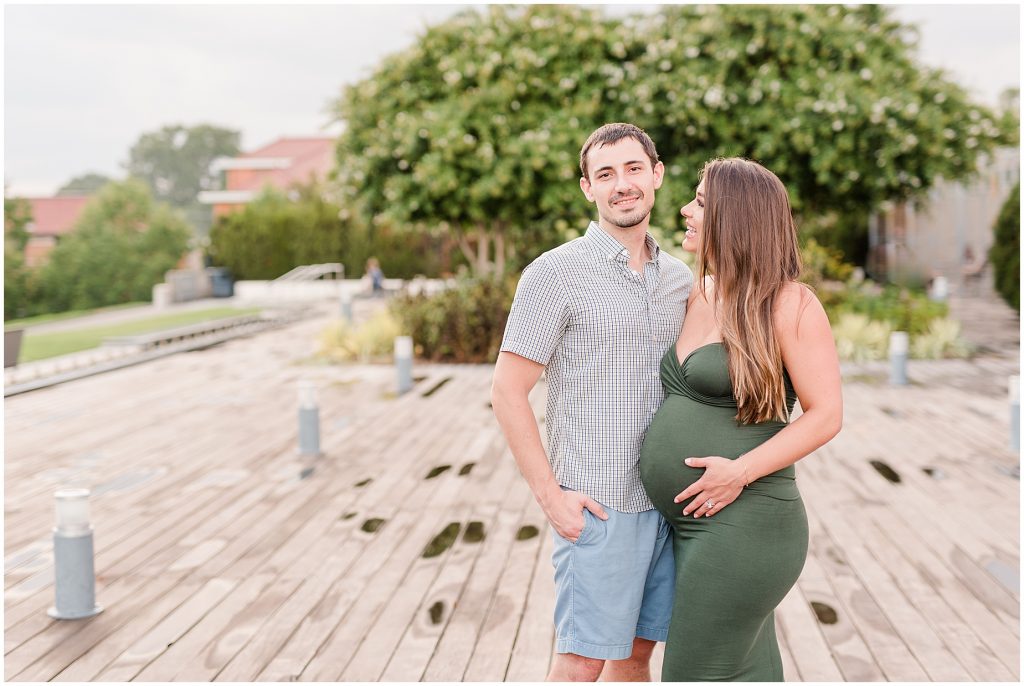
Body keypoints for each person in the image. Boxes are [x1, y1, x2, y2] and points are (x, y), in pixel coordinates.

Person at [491, 123, 693, 681]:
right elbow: (507, 392)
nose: (621, 184)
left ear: (656, 175)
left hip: (668, 505)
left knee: (636, 655)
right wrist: (550, 496)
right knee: (580, 662)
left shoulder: (680, 280)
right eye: (605, 174)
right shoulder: (554, 274)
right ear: (587, 188)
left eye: (632, 169)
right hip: (600, 505)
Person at [639, 157, 843, 681]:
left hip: (745, 523)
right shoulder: (698, 292)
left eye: (701, 202)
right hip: (688, 524)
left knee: (692, 672)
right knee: (747, 670)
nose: (684, 209)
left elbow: (826, 416)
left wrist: (739, 471)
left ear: (737, 217)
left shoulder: (790, 305)